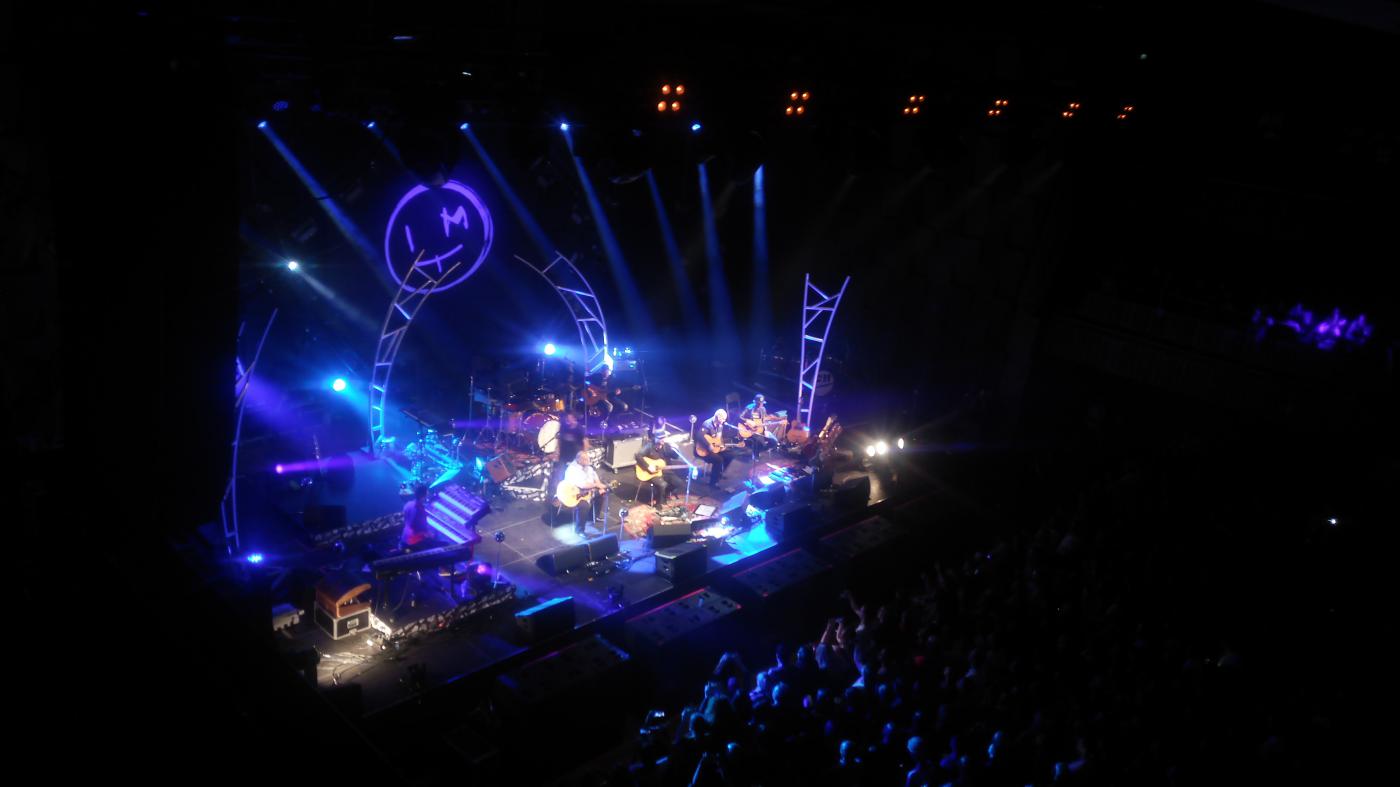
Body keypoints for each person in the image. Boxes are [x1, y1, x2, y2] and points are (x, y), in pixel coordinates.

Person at [561, 449, 609, 535]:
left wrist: (600, 486)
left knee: (601, 493)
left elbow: (595, 477)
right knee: (584, 506)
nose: (588, 461)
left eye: (588, 459)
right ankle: (579, 530)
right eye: (585, 459)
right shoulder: (572, 469)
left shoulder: (588, 468)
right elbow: (583, 485)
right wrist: (596, 485)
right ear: (579, 460)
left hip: (587, 492)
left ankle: (593, 517)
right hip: (574, 495)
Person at [636, 424, 684, 504]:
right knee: (663, 484)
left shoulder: (666, 446)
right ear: (655, 438)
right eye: (660, 438)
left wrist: (676, 448)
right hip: (652, 473)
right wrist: (648, 466)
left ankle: (663, 495)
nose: (662, 440)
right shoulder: (649, 446)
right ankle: (659, 503)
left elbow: (675, 456)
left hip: (665, 471)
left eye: (663, 438)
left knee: (679, 483)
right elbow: (638, 456)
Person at [696, 408, 738, 487]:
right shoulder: (707, 424)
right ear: (718, 417)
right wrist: (708, 445)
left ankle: (718, 473)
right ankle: (713, 483)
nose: (724, 421)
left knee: (730, 454)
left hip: (715, 448)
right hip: (703, 449)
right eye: (723, 419)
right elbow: (699, 436)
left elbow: (718, 438)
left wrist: (722, 446)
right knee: (718, 460)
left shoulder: (720, 426)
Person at [399, 483, 441, 552]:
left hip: (405, 538)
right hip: (414, 541)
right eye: (427, 493)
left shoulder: (408, 504)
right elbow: (418, 527)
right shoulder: (419, 509)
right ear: (425, 494)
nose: (428, 494)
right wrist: (430, 535)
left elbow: (408, 521)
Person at [741, 394, 779, 460]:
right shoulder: (749, 408)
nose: (760, 405)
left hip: (761, 429)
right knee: (757, 438)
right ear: (755, 402)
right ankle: (755, 454)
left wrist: (766, 429)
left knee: (774, 441)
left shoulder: (763, 409)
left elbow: (763, 421)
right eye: (758, 403)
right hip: (751, 430)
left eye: (761, 403)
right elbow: (740, 417)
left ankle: (759, 450)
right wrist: (747, 421)